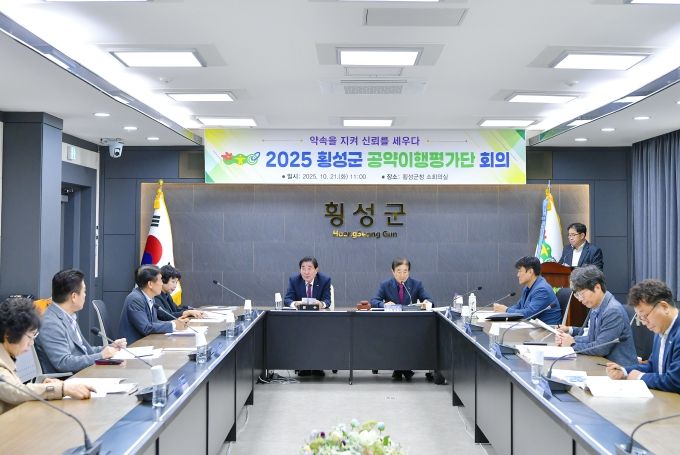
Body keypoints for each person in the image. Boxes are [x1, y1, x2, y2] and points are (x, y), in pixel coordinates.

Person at [0, 297, 94, 414]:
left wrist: (41, 386)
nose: (31, 343)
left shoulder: (8, 355)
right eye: (30, 336)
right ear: (9, 335)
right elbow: (15, 391)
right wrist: (61, 389)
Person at [36, 269, 127, 374]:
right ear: (74, 297)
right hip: (68, 379)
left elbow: (84, 351)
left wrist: (109, 347)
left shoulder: (68, 316)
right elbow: (63, 362)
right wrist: (101, 355)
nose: (85, 295)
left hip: (83, 372)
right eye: (84, 291)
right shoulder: (50, 323)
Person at [606, 279, 680, 392]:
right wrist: (624, 371)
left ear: (664, 307)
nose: (645, 323)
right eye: (640, 318)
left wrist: (640, 377)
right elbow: (652, 366)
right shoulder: (661, 328)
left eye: (645, 316)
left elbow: (675, 381)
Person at [554, 266, 636, 365]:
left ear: (597, 287)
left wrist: (572, 344)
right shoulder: (596, 306)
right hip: (603, 363)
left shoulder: (613, 311)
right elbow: (591, 338)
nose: (580, 299)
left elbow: (601, 348)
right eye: (577, 295)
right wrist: (567, 339)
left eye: (581, 294)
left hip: (619, 368)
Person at [371, 257, 434, 381]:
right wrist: (384, 305)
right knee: (396, 336)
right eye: (399, 271)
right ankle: (404, 370)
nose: (402, 275)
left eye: (405, 271)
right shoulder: (385, 285)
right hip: (391, 324)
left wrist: (427, 302)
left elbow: (429, 300)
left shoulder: (416, 284)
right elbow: (374, 300)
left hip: (410, 325)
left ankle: (399, 369)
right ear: (393, 271)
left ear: (409, 272)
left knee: (407, 336)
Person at [118, 265, 189, 345]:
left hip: (147, 343)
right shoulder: (135, 299)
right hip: (133, 346)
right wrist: (174, 325)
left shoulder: (150, 297)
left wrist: (175, 322)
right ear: (150, 284)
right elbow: (146, 328)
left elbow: (154, 322)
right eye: (160, 280)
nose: (162, 283)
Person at [284, 257, 331, 377]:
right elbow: (287, 299)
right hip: (299, 319)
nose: (306, 272)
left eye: (309, 268)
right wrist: (295, 303)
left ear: (316, 270)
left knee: (319, 334)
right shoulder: (294, 280)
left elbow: (327, 300)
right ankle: (302, 365)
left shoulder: (325, 280)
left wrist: (321, 304)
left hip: (319, 319)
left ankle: (318, 366)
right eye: (303, 268)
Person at [494, 256, 562, 324]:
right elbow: (519, 306)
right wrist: (503, 311)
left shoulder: (542, 290)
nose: (518, 275)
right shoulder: (528, 287)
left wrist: (506, 310)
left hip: (547, 328)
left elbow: (529, 314)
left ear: (530, 272)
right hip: (534, 326)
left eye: (520, 271)